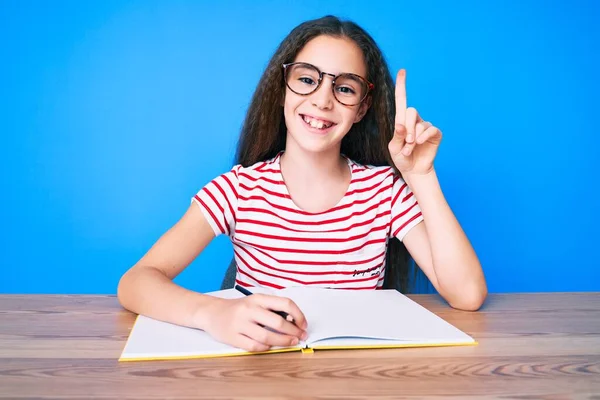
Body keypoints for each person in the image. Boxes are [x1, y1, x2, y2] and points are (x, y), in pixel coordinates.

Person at [117, 15, 487, 352]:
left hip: (356, 378)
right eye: (307, 79)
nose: (323, 100)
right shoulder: (238, 190)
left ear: (361, 107)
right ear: (282, 90)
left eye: (345, 88)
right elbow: (136, 282)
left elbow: (467, 295)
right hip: (260, 376)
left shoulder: (384, 192)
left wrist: (420, 175)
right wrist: (212, 314)